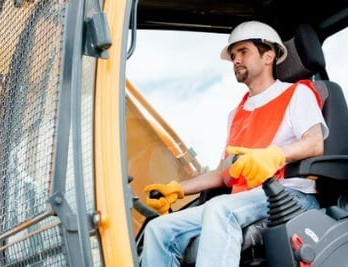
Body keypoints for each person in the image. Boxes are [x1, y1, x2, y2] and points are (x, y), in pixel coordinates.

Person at [140, 20, 329, 267]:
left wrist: (273, 155)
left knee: (220, 208)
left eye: (243, 52)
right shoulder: (236, 114)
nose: (236, 60)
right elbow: (223, 174)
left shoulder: (297, 93)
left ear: (268, 56)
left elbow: (315, 144)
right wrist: (177, 189)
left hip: (289, 195)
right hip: (243, 200)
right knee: (159, 229)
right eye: (233, 55)